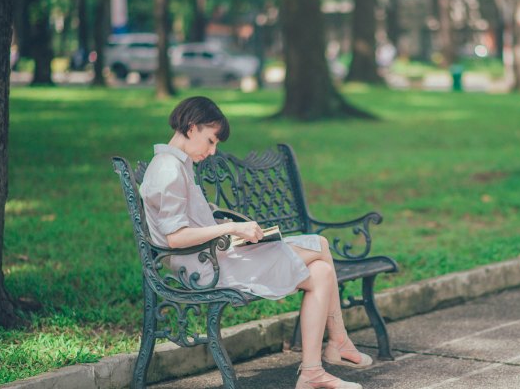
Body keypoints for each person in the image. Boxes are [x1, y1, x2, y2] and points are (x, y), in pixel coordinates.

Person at [139, 96, 370, 389]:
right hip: (203, 270)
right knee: (320, 245)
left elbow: (191, 225)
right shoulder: (169, 169)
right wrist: (231, 228)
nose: (212, 152)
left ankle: (313, 372)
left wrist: (231, 231)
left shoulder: (177, 165)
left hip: (210, 258)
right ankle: (338, 341)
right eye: (211, 141)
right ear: (192, 127)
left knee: (322, 272)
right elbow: (175, 237)